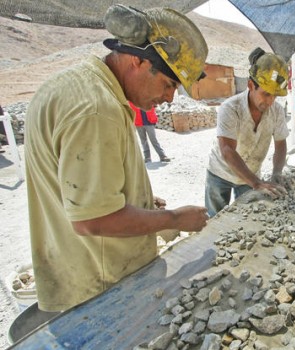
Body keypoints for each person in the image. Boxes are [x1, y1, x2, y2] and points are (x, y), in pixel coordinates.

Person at [24, 5, 209, 313]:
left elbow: (75, 186)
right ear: (137, 59)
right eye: (169, 84)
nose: (169, 98)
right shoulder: (98, 110)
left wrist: (138, 199)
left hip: (83, 274)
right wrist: (176, 219)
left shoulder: (79, 86)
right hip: (101, 288)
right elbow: (93, 219)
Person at [205, 47, 290, 217]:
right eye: (266, 94)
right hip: (220, 173)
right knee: (215, 220)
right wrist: (257, 183)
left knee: (245, 220)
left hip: (250, 173)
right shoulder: (230, 108)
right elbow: (227, 150)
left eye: (275, 96)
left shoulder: (277, 111)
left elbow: (280, 144)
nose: (271, 101)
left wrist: (277, 172)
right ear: (251, 85)